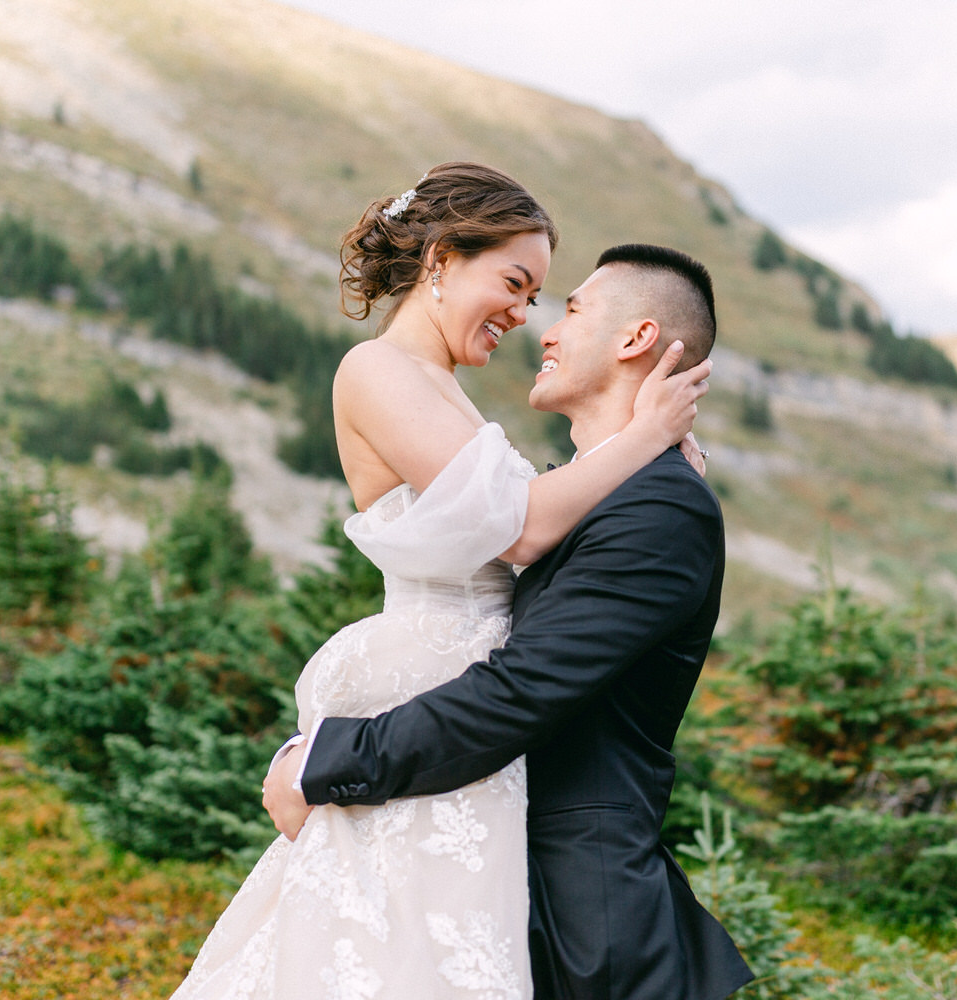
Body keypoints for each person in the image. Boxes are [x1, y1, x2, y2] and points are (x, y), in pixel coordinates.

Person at [168, 163, 710, 999]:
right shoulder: (377, 371)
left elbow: (527, 539)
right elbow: (523, 530)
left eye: (542, 297)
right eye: (516, 283)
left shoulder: (458, 401)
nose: (527, 316)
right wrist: (642, 441)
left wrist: (633, 462)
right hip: (428, 711)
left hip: (466, 750)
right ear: (442, 260)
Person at [266, 243, 755, 1000]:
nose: (542, 329)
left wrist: (331, 759)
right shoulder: (594, 497)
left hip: (586, 926)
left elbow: (520, 690)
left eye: (569, 309)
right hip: (478, 876)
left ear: (635, 339)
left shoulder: (660, 508)